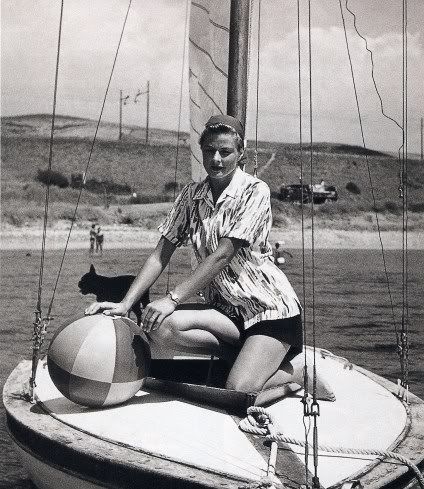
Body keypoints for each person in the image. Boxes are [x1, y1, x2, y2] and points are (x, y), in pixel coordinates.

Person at [85, 114, 332, 406]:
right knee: (157, 324)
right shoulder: (191, 195)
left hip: (269, 312)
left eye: (225, 152)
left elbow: (223, 254)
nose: (216, 159)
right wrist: (126, 303)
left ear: (240, 153)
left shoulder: (255, 191)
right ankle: (245, 358)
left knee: (237, 392)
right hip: (226, 313)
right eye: (209, 150)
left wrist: (173, 299)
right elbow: (160, 253)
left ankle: (297, 373)